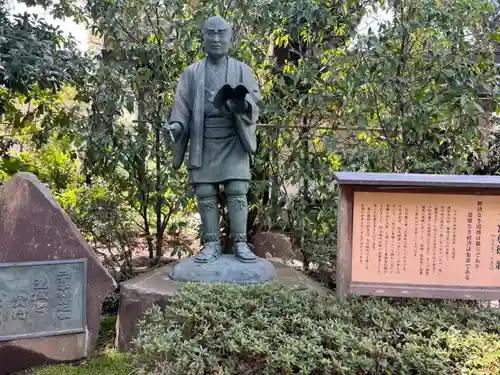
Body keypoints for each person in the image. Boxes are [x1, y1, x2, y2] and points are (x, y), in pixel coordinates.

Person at [166, 16, 260, 263]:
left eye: (221, 34)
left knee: (237, 188)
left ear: (230, 39)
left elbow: (255, 101)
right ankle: (211, 244)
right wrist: (177, 126)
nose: (216, 39)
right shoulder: (191, 73)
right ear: (203, 38)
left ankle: (240, 243)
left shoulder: (242, 70)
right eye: (211, 34)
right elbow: (182, 106)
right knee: (205, 190)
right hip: (204, 139)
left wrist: (240, 104)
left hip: (233, 138)